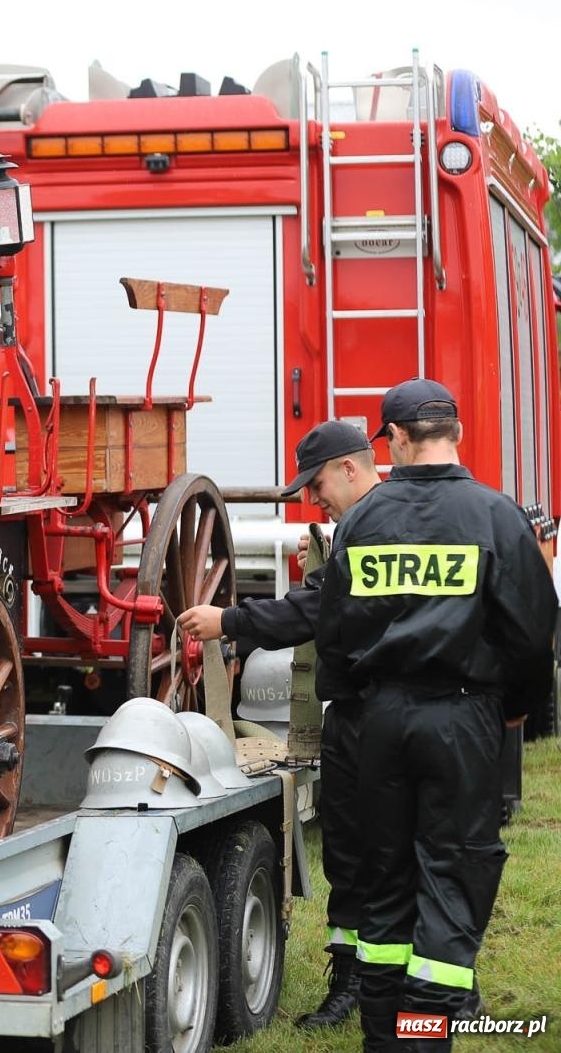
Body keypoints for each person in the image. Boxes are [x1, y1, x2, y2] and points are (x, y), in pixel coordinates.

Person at [315, 378, 556, 1051]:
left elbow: (332, 637)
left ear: (390, 440)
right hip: (463, 719)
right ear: (458, 433)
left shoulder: (360, 521)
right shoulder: (495, 516)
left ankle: (384, 1039)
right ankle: (424, 1037)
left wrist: (358, 713)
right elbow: (534, 635)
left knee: (384, 887)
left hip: (380, 722)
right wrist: (516, 713)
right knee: (452, 882)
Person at [179, 419, 380, 1030]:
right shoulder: (357, 527)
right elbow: (331, 594)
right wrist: (323, 560)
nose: (312, 498)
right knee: (347, 855)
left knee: (384, 855)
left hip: (385, 715)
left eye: (317, 484)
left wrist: (229, 622)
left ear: (351, 467)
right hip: (356, 713)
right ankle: (352, 984)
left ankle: (400, 994)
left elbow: (317, 610)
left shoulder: (380, 525)